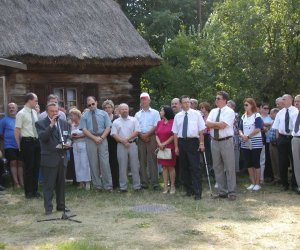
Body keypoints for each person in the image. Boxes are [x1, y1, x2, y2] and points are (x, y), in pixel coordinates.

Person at [35, 103, 71, 214]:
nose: (55, 113)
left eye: (57, 111)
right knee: (49, 185)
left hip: (62, 157)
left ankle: (61, 205)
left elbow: (68, 136)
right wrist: (51, 125)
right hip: (49, 158)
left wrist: (69, 142)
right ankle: (48, 208)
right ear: (47, 112)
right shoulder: (40, 123)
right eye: (52, 111)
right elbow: (43, 138)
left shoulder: (64, 123)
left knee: (61, 184)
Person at [172, 95, 205, 200]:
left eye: (188, 102)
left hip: (193, 142)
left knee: (195, 167)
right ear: (181, 104)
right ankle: (189, 190)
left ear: (190, 103)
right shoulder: (178, 116)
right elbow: (175, 133)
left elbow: (201, 130)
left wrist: (201, 143)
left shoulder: (197, 114)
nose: (187, 104)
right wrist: (176, 147)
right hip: (182, 142)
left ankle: (197, 192)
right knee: (184, 167)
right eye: (184, 102)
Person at [206, 91, 236, 200]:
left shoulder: (229, 111)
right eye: (216, 98)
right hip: (214, 141)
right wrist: (216, 125)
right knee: (217, 167)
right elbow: (207, 123)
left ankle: (232, 192)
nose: (216, 100)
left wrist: (213, 125)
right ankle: (222, 192)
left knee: (229, 167)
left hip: (226, 141)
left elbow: (223, 125)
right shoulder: (213, 111)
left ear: (224, 100)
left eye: (218, 98)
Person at [79, 96, 112, 191]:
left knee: (105, 163)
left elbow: (108, 127)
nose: (91, 106)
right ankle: (98, 186)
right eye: (89, 105)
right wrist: (94, 138)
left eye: (93, 104)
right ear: (87, 105)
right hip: (90, 139)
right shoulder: (84, 115)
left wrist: (101, 138)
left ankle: (108, 186)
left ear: (96, 103)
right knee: (93, 163)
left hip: (102, 138)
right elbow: (84, 130)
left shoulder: (104, 114)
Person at [14, 93, 41, 199]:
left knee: (36, 166)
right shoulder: (21, 113)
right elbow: (17, 130)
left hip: (36, 141)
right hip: (27, 141)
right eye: (36, 100)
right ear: (29, 100)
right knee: (29, 167)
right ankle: (28, 192)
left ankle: (35, 190)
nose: (37, 102)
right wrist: (19, 146)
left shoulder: (34, 112)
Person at [111, 103, 141, 192]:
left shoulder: (134, 120)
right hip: (121, 146)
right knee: (122, 167)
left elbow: (137, 132)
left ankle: (137, 187)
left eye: (126, 109)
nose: (124, 111)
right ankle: (123, 187)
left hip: (132, 145)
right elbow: (114, 134)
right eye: (122, 109)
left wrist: (127, 139)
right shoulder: (116, 122)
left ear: (128, 110)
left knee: (135, 166)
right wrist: (123, 141)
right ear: (119, 111)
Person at [135, 93, 160, 190]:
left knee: (153, 160)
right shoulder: (137, 114)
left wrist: (147, 135)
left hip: (152, 137)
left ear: (149, 101)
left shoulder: (155, 112)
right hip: (140, 138)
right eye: (142, 100)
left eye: (145, 99)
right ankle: (144, 183)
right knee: (142, 160)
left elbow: (156, 125)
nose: (144, 101)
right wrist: (142, 136)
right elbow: (136, 127)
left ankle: (155, 183)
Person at [272, 94, 298, 191]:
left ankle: (294, 184)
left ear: (290, 100)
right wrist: (277, 140)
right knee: (282, 162)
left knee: (295, 161)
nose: (282, 101)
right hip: (282, 138)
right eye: (282, 99)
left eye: (284, 99)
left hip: (293, 137)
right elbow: (276, 128)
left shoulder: (296, 111)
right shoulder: (280, 113)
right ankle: (284, 184)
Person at [239, 98, 264, 191]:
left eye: (247, 105)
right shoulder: (243, 116)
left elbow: (258, 129)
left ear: (252, 105)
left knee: (256, 162)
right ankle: (252, 183)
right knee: (248, 163)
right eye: (244, 105)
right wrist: (242, 135)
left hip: (255, 142)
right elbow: (240, 129)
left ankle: (257, 183)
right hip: (245, 142)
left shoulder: (257, 115)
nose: (245, 106)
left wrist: (248, 136)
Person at [0, 103, 23, 188]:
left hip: (20, 145)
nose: (11, 109)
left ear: (17, 109)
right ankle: (16, 183)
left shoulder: (21, 119)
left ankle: (22, 182)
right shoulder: (4, 120)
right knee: (13, 162)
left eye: (13, 107)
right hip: (9, 145)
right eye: (9, 108)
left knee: (20, 163)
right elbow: (1, 134)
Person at [156, 106, 176, 194]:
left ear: (166, 112)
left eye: (161, 110)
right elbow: (156, 134)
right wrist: (160, 144)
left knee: (171, 167)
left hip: (170, 148)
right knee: (164, 167)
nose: (160, 112)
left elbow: (173, 135)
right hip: (161, 148)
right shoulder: (159, 123)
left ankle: (172, 186)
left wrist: (164, 143)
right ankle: (165, 186)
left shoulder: (173, 122)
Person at [69, 108, 91, 190]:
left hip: (83, 144)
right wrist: (71, 136)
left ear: (76, 115)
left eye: (72, 115)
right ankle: (81, 182)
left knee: (84, 163)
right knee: (77, 164)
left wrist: (78, 136)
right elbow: (70, 135)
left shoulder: (83, 123)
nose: (70, 117)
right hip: (75, 145)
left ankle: (87, 182)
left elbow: (86, 134)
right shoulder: (72, 125)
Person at [103, 100, 119, 189]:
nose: (107, 109)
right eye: (106, 108)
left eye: (109, 107)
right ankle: (108, 183)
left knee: (115, 162)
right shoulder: (102, 118)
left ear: (112, 108)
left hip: (115, 142)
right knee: (106, 163)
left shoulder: (116, 118)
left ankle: (116, 182)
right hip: (105, 141)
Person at [259, 103, 273, 182]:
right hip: (261, 141)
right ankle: (261, 176)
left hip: (269, 141)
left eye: (267, 108)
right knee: (261, 159)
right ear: (260, 109)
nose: (266, 110)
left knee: (268, 159)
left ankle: (268, 175)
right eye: (264, 108)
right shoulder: (258, 117)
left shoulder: (270, 118)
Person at [170, 97, 182, 188]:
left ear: (180, 104)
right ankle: (175, 182)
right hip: (171, 143)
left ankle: (182, 181)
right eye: (172, 104)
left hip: (182, 142)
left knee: (182, 163)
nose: (174, 105)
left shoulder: (183, 115)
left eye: (176, 103)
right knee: (174, 163)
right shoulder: (170, 116)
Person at [227, 100, 240, 172]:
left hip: (234, 138)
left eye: (228, 106)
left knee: (234, 155)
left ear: (233, 107)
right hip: (228, 137)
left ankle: (235, 172)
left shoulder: (235, 114)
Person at [268, 108, 280, 184]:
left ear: (276, 114)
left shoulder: (279, 122)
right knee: (273, 162)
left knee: (278, 161)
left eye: (271, 113)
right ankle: (276, 177)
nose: (270, 115)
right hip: (271, 144)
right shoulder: (272, 122)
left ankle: (280, 178)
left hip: (277, 145)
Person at [291, 95, 300, 194]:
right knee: (296, 164)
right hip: (295, 139)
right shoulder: (293, 114)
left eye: (299, 101)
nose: (297, 103)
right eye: (295, 101)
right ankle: (299, 185)